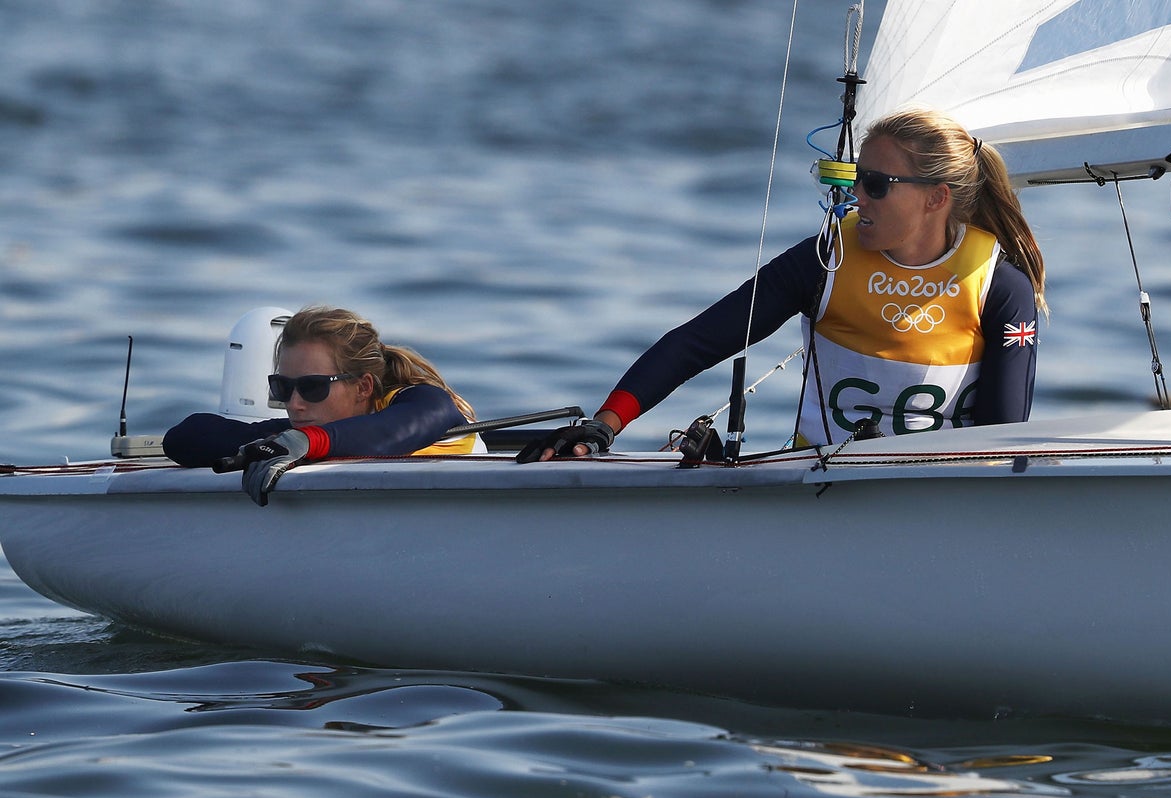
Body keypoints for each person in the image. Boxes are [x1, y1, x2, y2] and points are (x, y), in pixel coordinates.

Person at [518, 107, 1045, 462]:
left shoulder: (1000, 287)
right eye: (855, 177)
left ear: (937, 198)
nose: (857, 195)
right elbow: (698, 342)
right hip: (814, 489)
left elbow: (1003, 440)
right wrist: (605, 425)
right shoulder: (825, 259)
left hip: (936, 496)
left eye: (877, 185)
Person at [164, 306, 479, 505]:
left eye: (312, 387)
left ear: (363, 386)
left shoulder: (425, 402)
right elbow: (185, 437)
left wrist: (308, 441)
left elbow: (389, 432)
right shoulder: (308, 431)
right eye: (283, 388)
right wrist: (266, 449)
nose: (295, 404)